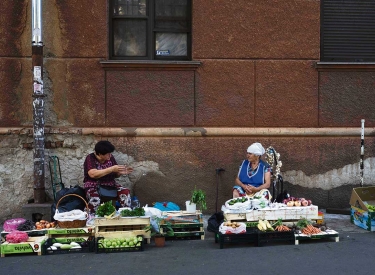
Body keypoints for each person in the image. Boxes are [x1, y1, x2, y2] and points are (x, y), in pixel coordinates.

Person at [83, 140, 134, 213]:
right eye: (107, 154)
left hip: (110, 184)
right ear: (100, 154)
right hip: (93, 185)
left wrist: (120, 172)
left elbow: (115, 174)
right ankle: (90, 217)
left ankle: (126, 214)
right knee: (95, 199)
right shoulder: (90, 158)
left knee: (125, 192)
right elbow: (93, 174)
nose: (110, 156)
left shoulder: (110, 157)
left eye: (110, 153)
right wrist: (111, 169)